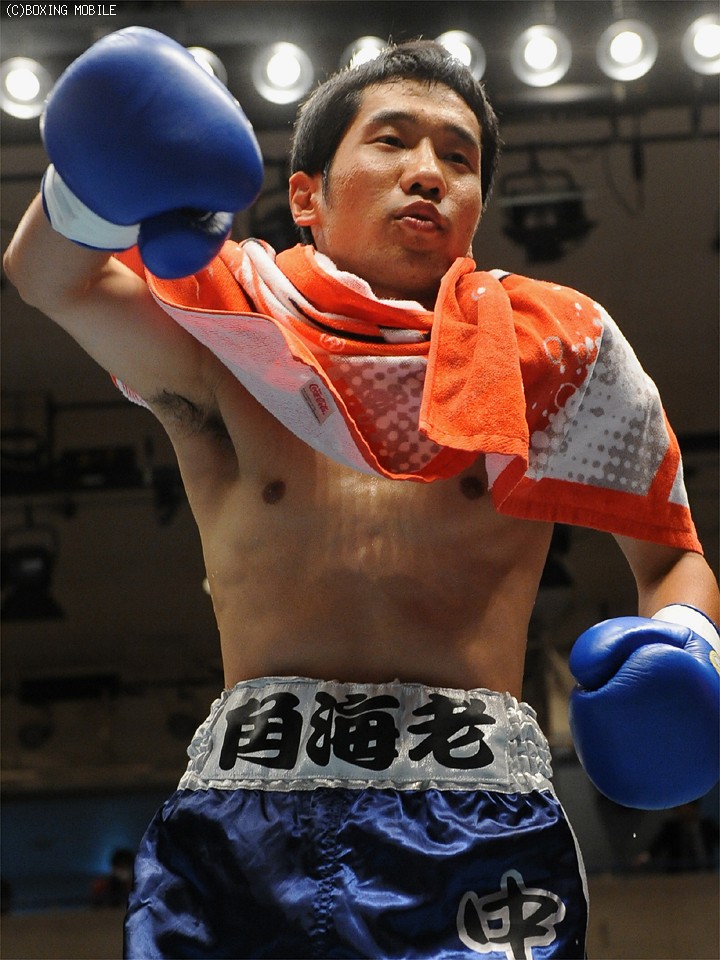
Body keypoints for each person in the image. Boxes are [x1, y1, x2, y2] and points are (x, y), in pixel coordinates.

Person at [4, 27, 719, 960]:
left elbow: (672, 559)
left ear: (478, 205)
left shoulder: (555, 353)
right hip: (241, 830)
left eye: (458, 158)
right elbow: (46, 279)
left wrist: (686, 646)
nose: (428, 172)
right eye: (392, 140)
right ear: (306, 195)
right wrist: (93, 185)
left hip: (474, 825)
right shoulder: (230, 336)